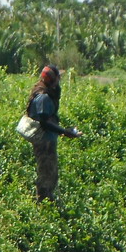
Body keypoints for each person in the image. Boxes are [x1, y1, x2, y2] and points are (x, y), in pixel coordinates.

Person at [26, 65, 82, 202]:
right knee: (48, 175)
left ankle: (44, 202)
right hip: (44, 142)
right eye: (58, 78)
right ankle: (43, 204)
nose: (59, 80)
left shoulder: (43, 91)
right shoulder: (43, 97)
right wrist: (64, 132)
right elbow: (44, 122)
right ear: (52, 80)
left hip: (46, 140)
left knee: (49, 173)